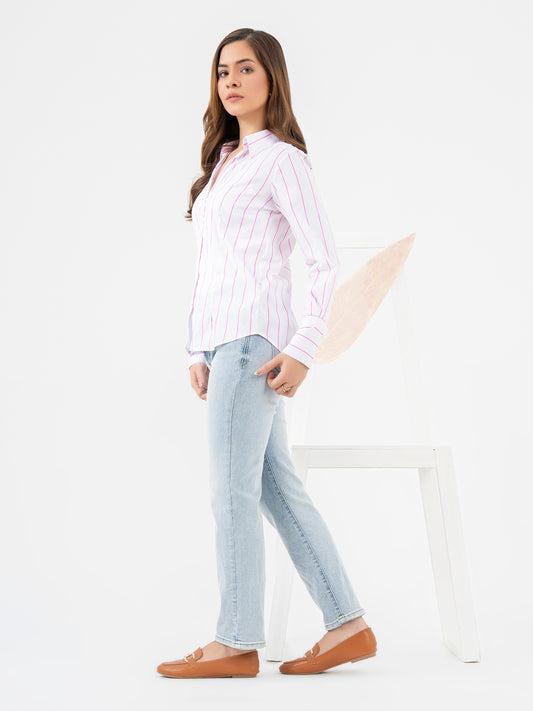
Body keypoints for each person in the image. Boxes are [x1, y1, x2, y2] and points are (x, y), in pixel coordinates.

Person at [157, 27, 377, 680]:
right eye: (222, 70)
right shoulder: (225, 162)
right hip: (225, 343)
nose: (230, 80)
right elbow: (213, 268)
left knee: (231, 490)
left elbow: (322, 259)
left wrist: (303, 347)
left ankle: (235, 641)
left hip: (254, 343)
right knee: (275, 489)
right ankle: (348, 624)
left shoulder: (282, 160)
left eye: (245, 68)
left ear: (271, 77)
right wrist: (196, 348)